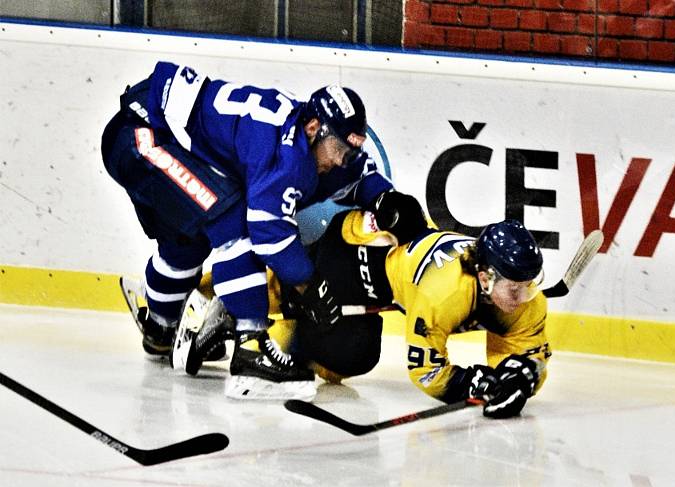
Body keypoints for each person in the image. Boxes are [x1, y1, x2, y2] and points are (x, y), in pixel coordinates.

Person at [101, 61, 426, 395]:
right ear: (314, 127)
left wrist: (386, 198)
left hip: (152, 132)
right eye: (339, 150)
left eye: (350, 151)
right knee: (234, 225)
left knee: (187, 243)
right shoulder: (286, 155)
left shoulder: (318, 141)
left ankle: (159, 329)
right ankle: (251, 352)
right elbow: (270, 237)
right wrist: (312, 288)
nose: (341, 160)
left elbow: (357, 172)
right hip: (140, 135)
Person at [189, 209, 550, 416]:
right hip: (356, 255)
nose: (524, 297)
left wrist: (522, 376)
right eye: (515, 289)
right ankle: (219, 300)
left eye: (529, 285)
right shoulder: (446, 292)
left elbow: (527, 353)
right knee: (291, 292)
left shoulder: (523, 298)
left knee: (351, 358)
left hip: (388, 283)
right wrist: (473, 382)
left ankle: (270, 334)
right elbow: (425, 369)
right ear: (485, 278)